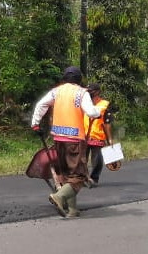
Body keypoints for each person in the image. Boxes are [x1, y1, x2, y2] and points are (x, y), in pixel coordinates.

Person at [30, 66, 102, 217]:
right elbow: (91, 112)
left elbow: (41, 104)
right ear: (79, 79)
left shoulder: (57, 92)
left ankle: (73, 210)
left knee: (68, 174)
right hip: (74, 140)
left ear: (65, 78)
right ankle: (59, 196)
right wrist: (98, 112)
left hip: (58, 140)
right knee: (79, 176)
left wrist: (35, 123)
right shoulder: (82, 93)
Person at [84, 84, 114, 186]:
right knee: (81, 159)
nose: (89, 92)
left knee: (97, 160)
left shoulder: (105, 105)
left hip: (97, 136)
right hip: (83, 136)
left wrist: (110, 139)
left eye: (91, 91)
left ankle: (94, 178)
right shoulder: (84, 103)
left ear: (97, 92)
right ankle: (84, 178)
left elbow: (107, 123)